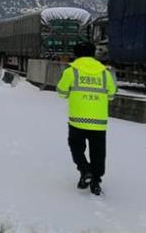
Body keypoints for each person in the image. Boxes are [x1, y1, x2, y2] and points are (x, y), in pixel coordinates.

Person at [57, 42, 116, 195]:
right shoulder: (105, 73)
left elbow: (61, 92)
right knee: (98, 153)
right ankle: (96, 182)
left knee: (76, 146)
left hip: (77, 120)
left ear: (76, 54)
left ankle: (85, 170)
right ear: (93, 54)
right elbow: (111, 94)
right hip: (99, 122)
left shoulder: (72, 71)